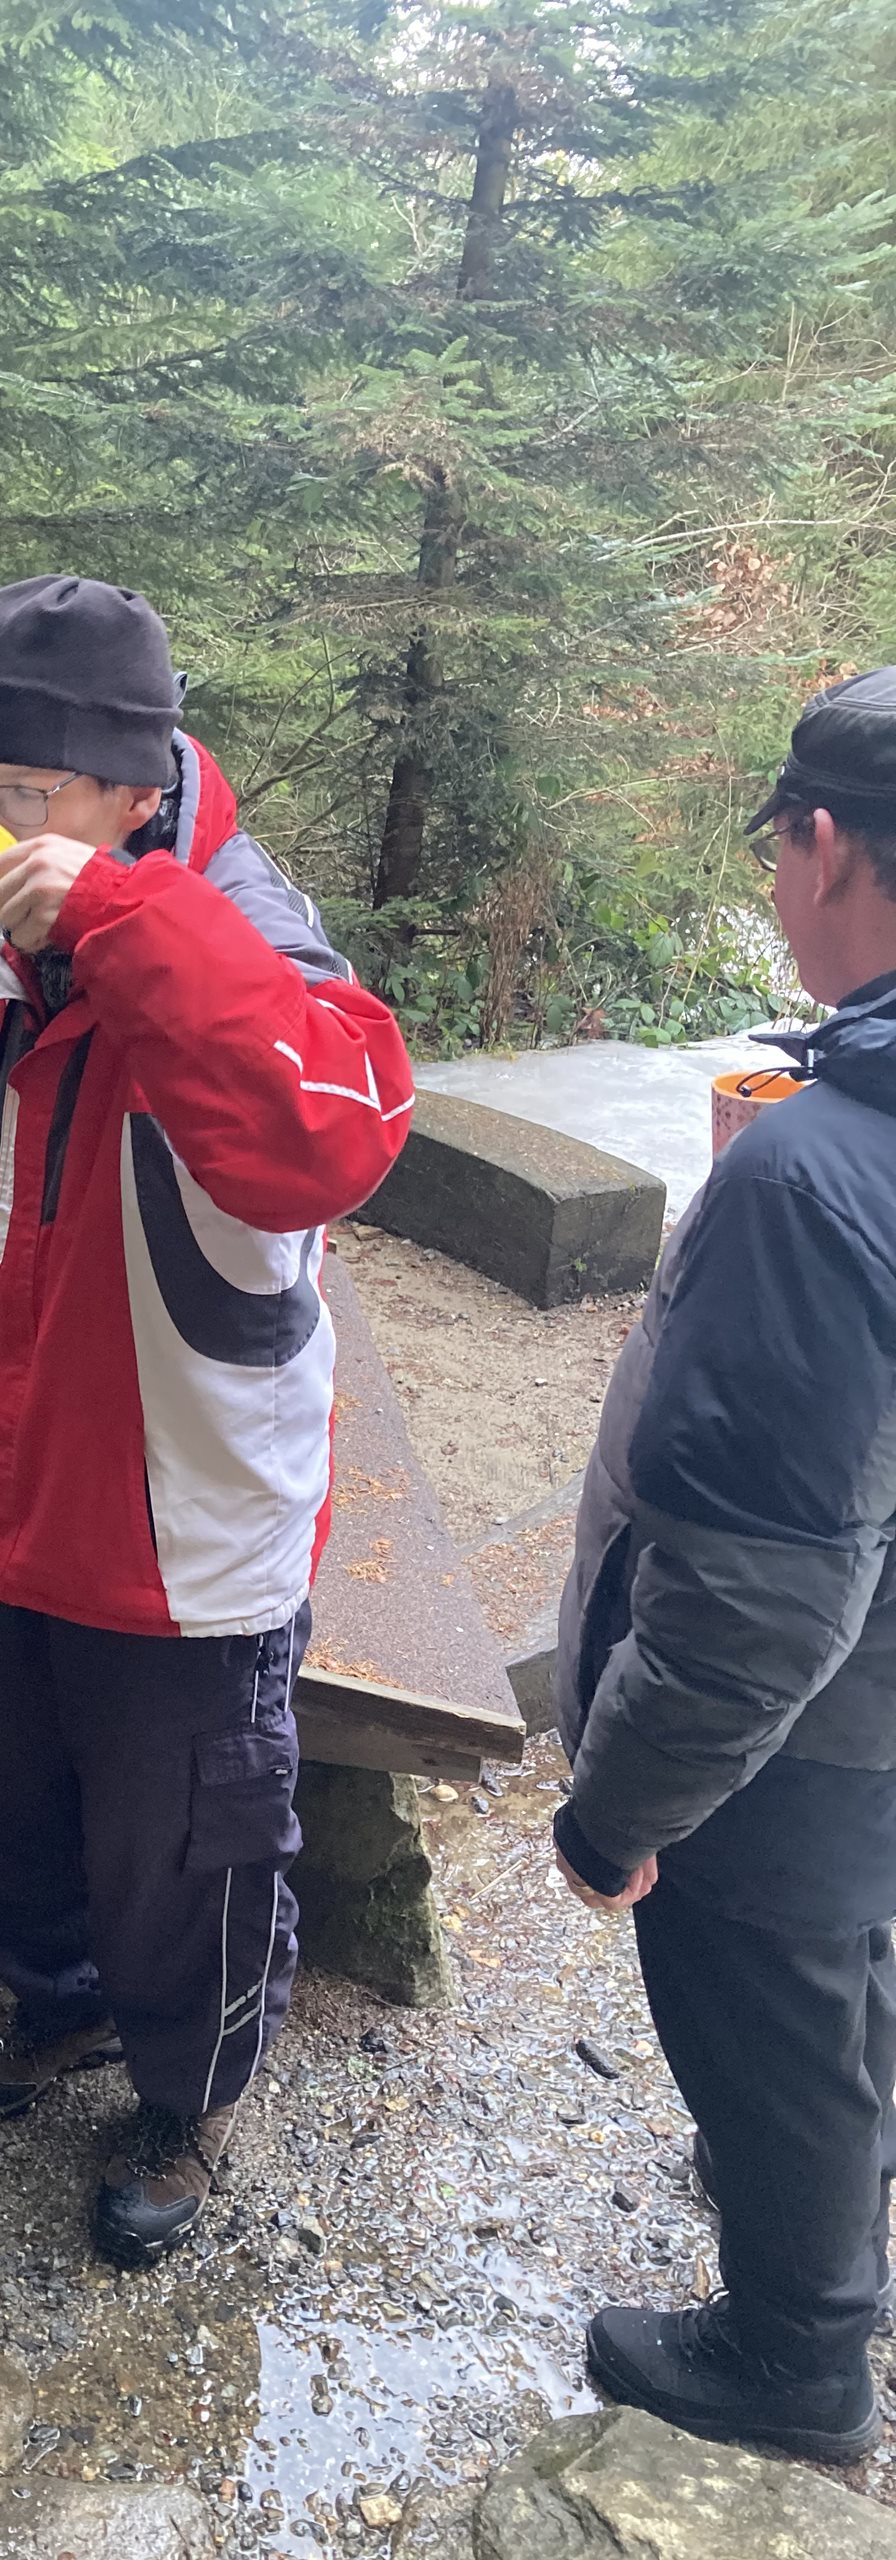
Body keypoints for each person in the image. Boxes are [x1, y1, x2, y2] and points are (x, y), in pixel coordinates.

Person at [0, 575, 414, 2267]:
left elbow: (329, 1132)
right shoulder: (20, 935)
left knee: (194, 1850)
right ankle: (64, 2005)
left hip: (195, 1520)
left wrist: (118, 914)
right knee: (5, 1797)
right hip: (35, 1474)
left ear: (129, 786)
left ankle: (189, 2099)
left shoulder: (238, 929)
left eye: (19, 794)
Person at [554, 664, 896, 2463]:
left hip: (806, 1735)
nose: (774, 885)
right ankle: (840, 2221)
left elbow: (758, 1590)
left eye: (777, 853)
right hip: (879, 1706)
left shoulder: (818, 1180)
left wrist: (617, 1811)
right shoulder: (839, 1126)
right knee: (847, 1978)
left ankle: (796, 2354)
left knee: (769, 2007)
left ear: (827, 847)